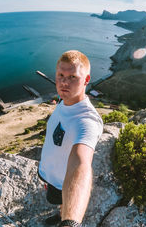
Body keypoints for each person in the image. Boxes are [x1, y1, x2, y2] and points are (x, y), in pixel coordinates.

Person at [38, 50, 103, 227]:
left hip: (63, 182)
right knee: (58, 202)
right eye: (60, 75)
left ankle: (63, 217)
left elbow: (81, 162)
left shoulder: (87, 121)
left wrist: (71, 223)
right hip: (50, 176)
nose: (64, 82)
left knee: (64, 201)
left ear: (87, 80)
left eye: (73, 77)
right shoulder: (64, 101)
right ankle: (60, 212)